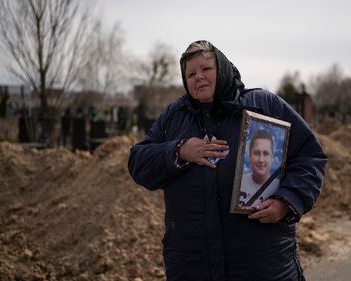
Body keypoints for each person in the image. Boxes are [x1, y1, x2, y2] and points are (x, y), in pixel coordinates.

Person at [128, 40, 327, 281]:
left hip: (262, 263)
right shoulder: (174, 117)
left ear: (221, 69)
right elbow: (139, 163)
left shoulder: (263, 105)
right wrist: (179, 151)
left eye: (205, 69)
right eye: (190, 74)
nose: (198, 77)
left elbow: (310, 156)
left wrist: (286, 202)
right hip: (192, 264)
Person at [239, 129, 280, 207]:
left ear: (272, 157)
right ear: (250, 156)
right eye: (256, 153)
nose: (261, 160)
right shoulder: (239, 183)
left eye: (266, 153)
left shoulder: (279, 187)